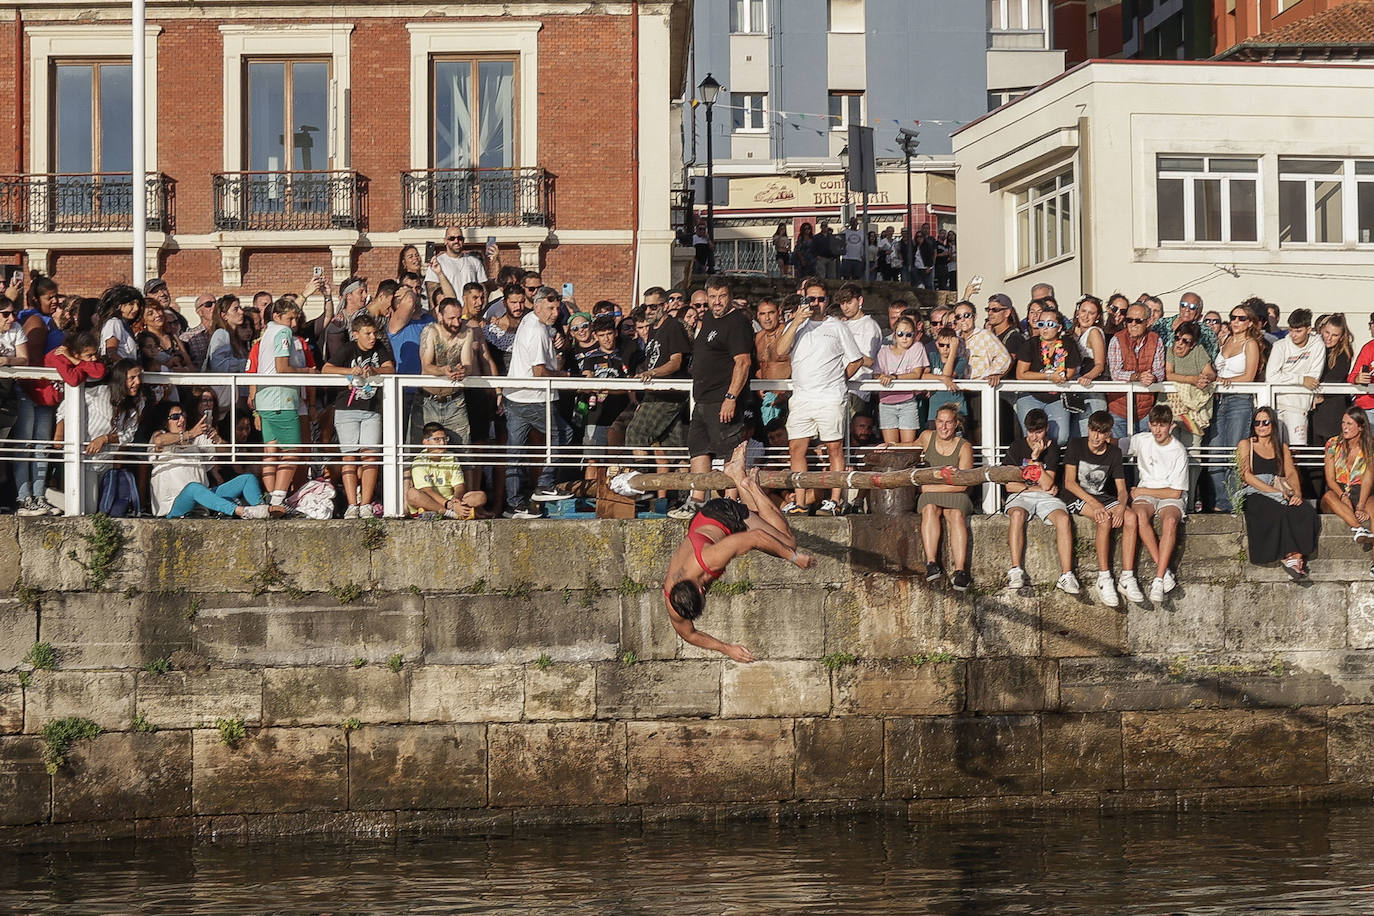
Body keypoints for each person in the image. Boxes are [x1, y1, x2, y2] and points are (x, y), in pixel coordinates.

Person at [662, 459, 814, 663]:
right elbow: (689, 635)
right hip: (707, 527)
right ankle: (740, 479)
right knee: (765, 520)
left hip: (723, 514)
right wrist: (727, 649)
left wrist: (794, 558)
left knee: (787, 542)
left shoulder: (710, 560)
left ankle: (748, 483)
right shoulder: (676, 604)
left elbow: (756, 537)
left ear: (700, 589)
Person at [773, 278, 866, 516]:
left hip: (830, 398)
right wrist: (796, 322)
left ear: (827, 301)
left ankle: (835, 501)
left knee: (834, 448)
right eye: (810, 299)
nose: (815, 304)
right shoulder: (795, 324)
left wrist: (838, 380)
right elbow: (780, 351)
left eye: (820, 299)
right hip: (802, 397)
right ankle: (801, 501)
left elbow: (856, 359)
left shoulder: (837, 326)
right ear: (804, 299)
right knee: (796, 448)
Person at [680, 277, 754, 514]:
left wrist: (731, 398)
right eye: (712, 297)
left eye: (721, 296)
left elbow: (743, 362)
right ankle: (698, 501)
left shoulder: (737, 323)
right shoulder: (709, 318)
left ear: (729, 296)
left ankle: (730, 504)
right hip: (702, 398)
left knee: (729, 452)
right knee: (699, 449)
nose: (717, 302)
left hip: (723, 399)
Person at [502, 288, 575, 517]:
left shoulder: (532, 321)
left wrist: (557, 344)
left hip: (514, 396)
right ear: (537, 306)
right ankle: (544, 484)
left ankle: (514, 504)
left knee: (515, 452)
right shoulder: (537, 330)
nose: (555, 313)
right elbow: (539, 372)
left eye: (557, 308)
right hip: (533, 397)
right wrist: (565, 375)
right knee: (564, 435)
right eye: (550, 308)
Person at [148, 403, 276, 519]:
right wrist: (191, 433)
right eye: (175, 416)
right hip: (174, 506)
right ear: (166, 422)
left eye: (183, 415)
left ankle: (262, 509)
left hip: (203, 499)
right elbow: (159, 441)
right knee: (193, 488)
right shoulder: (160, 436)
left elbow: (228, 452)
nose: (181, 419)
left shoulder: (196, 441)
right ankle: (242, 511)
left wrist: (218, 440)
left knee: (248, 479)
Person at [323, 313, 394, 518]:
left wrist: (375, 369)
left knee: (370, 455)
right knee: (350, 456)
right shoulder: (347, 349)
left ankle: (366, 503)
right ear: (356, 335)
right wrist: (349, 371)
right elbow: (326, 368)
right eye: (368, 333)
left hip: (372, 410)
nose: (373, 337)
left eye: (374, 332)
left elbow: (390, 368)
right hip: (347, 409)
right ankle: (352, 504)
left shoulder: (379, 348)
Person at [1002, 408, 1080, 595]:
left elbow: (1048, 483)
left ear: (1046, 430)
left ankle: (1067, 574)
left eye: (1039, 432)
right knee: (1018, 514)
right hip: (1023, 495)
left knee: (1063, 519)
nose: (1035, 437)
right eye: (1031, 432)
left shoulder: (1052, 448)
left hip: (1045, 497)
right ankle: (1015, 569)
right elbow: (1009, 486)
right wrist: (1036, 485)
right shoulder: (1017, 447)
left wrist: (1036, 460)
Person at [1237, 406, 1319, 579]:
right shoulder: (1246, 444)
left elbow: (1290, 473)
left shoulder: (1281, 447)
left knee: (1306, 511)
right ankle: (1290, 556)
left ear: (1273, 424)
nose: (1261, 426)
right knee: (1278, 511)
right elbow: (1246, 475)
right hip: (1256, 492)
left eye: (1265, 422)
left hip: (1279, 490)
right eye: (1257, 422)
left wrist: (1297, 493)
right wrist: (1273, 492)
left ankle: (1296, 556)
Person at [1119, 404, 1190, 604]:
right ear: (1149, 425)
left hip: (1169, 495)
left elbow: (1176, 491)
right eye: (1154, 425)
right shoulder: (1142, 440)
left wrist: (1141, 491)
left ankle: (1158, 579)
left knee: (1169, 521)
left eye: (1162, 425)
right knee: (1139, 514)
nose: (1158, 430)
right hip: (1147, 494)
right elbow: (1119, 445)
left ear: (1171, 426)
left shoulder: (1178, 450)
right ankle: (1164, 569)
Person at [55, 358, 144, 512]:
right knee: (88, 508)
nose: (137, 382)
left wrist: (105, 438)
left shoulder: (137, 402)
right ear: (120, 378)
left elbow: (128, 436)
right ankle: (50, 497)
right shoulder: (99, 393)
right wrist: (59, 435)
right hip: (85, 459)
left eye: (139, 377)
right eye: (132, 378)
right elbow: (65, 407)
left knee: (105, 509)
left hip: (107, 461)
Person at [1063, 410, 1129, 607]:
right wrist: (1096, 505)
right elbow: (1069, 483)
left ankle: (1128, 576)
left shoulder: (1114, 452)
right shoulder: (1076, 444)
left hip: (1101, 496)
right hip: (1076, 495)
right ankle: (1104, 577)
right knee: (1104, 519)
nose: (1096, 436)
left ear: (1108, 434)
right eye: (1093, 430)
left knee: (1131, 517)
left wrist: (1121, 506)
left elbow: (1122, 490)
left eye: (1101, 432)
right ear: (1088, 428)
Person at [252, 298, 313, 508]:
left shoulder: (265, 333)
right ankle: (278, 499)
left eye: (296, 318)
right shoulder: (282, 332)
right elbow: (282, 367)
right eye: (290, 318)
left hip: (264, 399)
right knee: (293, 450)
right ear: (277, 317)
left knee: (271, 450)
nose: (294, 324)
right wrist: (307, 372)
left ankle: (271, 497)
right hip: (281, 399)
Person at [1203, 301, 1263, 513]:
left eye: (1241, 318)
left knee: (1234, 454)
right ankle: (1219, 502)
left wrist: (1229, 380)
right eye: (1233, 317)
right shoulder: (1225, 340)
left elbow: (1249, 376)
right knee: (1214, 454)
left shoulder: (1251, 344)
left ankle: (1231, 504)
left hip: (1239, 399)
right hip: (1218, 400)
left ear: (1250, 323)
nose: (1236, 322)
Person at [916, 404, 974, 591]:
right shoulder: (927, 436)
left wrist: (930, 488)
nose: (943, 427)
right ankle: (931, 562)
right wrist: (890, 445)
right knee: (930, 509)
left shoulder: (964, 446)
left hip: (954, 491)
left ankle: (960, 570)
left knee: (955, 514)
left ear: (956, 424)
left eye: (948, 422)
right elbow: (909, 446)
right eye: (940, 422)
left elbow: (963, 482)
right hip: (931, 492)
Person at [1014, 297, 1080, 446]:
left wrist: (1060, 377)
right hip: (1031, 395)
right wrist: (1049, 376)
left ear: (1059, 327)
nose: (1044, 328)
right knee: (1030, 436)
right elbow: (1021, 374)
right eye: (1041, 324)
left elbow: (1069, 373)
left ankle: (1051, 464)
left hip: (1057, 397)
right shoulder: (1030, 344)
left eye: (1050, 324)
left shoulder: (1068, 344)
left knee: (1061, 437)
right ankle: (1034, 466)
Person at [1265, 309, 1324, 446]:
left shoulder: (1318, 345)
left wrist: (1285, 377)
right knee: (1276, 451)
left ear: (1309, 329)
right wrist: (1301, 380)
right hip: (1276, 405)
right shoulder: (1280, 345)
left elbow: (1314, 377)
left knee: (1296, 453)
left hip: (1299, 407)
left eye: (1298, 331)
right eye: (1291, 330)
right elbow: (1271, 376)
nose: (1293, 335)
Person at [405, 422, 488, 519]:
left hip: (450, 500)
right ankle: (451, 514)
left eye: (445, 439)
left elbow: (459, 486)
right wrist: (448, 505)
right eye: (437, 439)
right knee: (412, 494)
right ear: (425, 442)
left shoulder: (451, 457)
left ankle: (454, 511)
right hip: (430, 501)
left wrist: (455, 500)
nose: (442, 443)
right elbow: (427, 490)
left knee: (481, 496)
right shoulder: (419, 461)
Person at [1106, 302, 1164, 439]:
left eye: (1138, 320)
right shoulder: (1116, 340)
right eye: (1129, 320)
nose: (1133, 324)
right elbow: (1115, 373)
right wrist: (1137, 377)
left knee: (1143, 454)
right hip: (1118, 408)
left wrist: (1152, 378)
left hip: (1145, 410)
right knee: (1120, 452)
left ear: (1148, 322)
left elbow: (1160, 372)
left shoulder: (1156, 340)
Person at [1322, 407, 1374, 553]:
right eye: (1343, 423)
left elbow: (1369, 477)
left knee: (1373, 507)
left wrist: (1361, 505)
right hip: (1337, 490)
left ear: (1361, 427)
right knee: (1328, 496)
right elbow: (1330, 479)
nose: (1345, 427)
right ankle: (1358, 528)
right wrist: (1343, 496)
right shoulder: (1332, 443)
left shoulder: (1370, 446)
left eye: (1349, 424)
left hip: (1361, 490)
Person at [874, 315, 928, 444]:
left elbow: (916, 374)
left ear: (914, 335)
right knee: (890, 447)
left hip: (907, 402)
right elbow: (876, 374)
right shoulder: (883, 351)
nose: (904, 338)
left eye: (909, 334)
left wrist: (893, 377)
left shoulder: (917, 347)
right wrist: (882, 377)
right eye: (900, 334)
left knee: (908, 447)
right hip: (886, 403)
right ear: (894, 334)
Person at [424, 227, 498, 306]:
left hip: (471, 314)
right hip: (450, 314)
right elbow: (432, 293)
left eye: (460, 238)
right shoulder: (437, 263)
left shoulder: (475, 262)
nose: (456, 241)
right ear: (445, 241)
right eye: (452, 238)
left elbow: (483, 291)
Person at [1071, 295, 1109, 437]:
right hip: (1076, 391)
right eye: (1083, 311)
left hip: (1091, 391)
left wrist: (1088, 377)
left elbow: (1100, 364)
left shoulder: (1094, 332)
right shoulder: (1074, 332)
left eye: (1091, 313)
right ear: (1077, 312)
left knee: (1088, 435)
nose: (1086, 316)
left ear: (1097, 316)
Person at [99, 285, 143, 361]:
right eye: (131, 304)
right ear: (118, 306)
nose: (136, 308)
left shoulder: (125, 325)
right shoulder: (114, 323)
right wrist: (130, 368)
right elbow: (111, 353)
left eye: (138, 304)